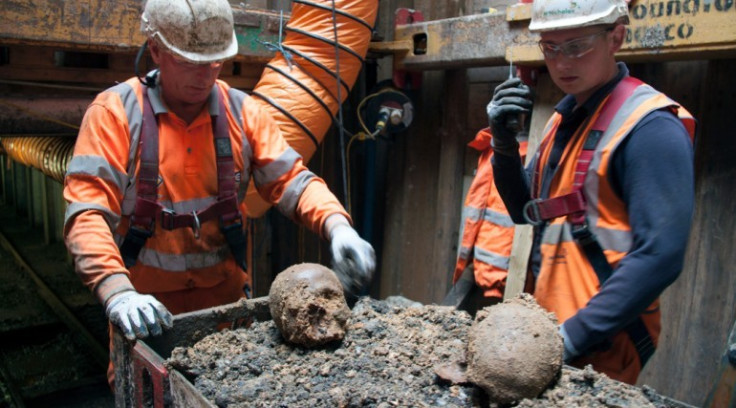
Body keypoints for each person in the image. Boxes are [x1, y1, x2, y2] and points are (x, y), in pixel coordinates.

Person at [62, 0, 375, 383]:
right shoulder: (115, 114)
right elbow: (87, 212)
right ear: (156, 50)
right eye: (191, 62)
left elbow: (291, 179)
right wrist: (116, 292)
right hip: (147, 317)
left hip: (228, 319)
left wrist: (337, 225)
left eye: (215, 62)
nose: (205, 74)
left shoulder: (243, 112)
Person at [487, 0, 695, 384]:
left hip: (601, 345)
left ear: (616, 36)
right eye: (550, 47)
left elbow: (661, 256)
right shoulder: (564, 120)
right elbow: (524, 210)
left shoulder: (650, 129)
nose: (562, 62)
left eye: (577, 46)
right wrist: (503, 142)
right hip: (549, 333)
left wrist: (569, 339)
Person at [446, 127, 528, 312]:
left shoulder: (515, 157)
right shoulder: (499, 154)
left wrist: (490, 276)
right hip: (495, 274)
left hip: (500, 277)